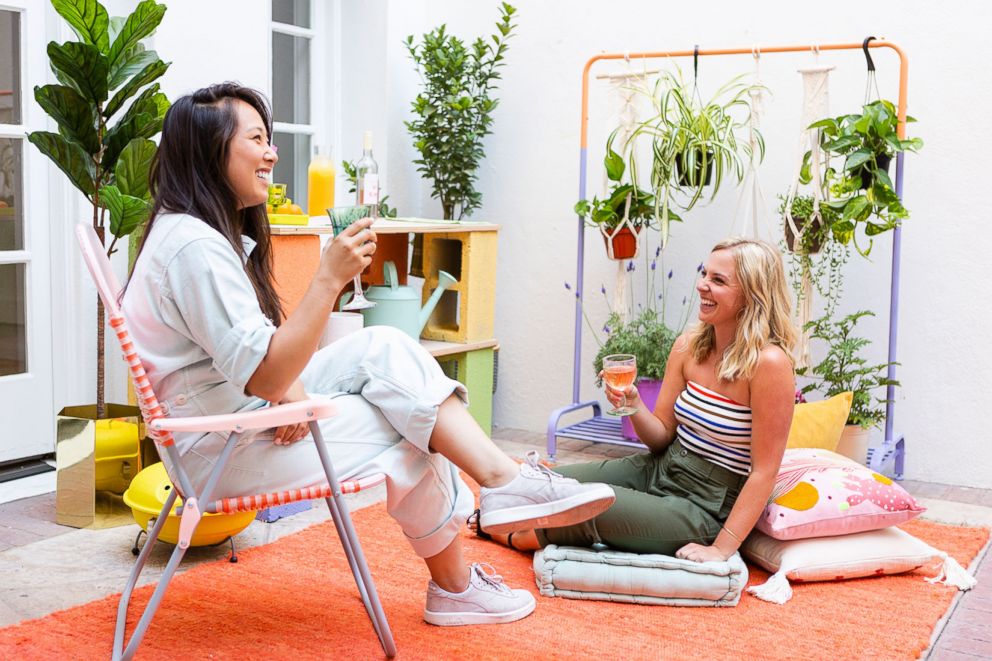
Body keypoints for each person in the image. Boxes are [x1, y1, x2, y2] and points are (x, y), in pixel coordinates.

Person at [121, 83, 615, 626]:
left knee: (385, 347)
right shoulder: (194, 249)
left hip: (232, 420)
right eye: (257, 139)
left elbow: (246, 355)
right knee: (413, 422)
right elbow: (263, 373)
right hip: (221, 451)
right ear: (209, 152)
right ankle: (461, 574)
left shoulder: (190, 235)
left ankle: (501, 483)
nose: (272, 153)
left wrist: (288, 386)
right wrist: (327, 281)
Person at [472, 238, 797, 563]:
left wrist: (722, 548)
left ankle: (508, 534)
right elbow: (660, 438)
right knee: (552, 482)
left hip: (704, 504)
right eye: (704, 274)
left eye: (718, 280)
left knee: (591, 506)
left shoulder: (769, 365)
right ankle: (508, 513)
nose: (702, 286)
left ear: (752, 295)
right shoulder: (689, 346)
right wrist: (633, 403)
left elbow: (763, 473)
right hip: (660, 467)